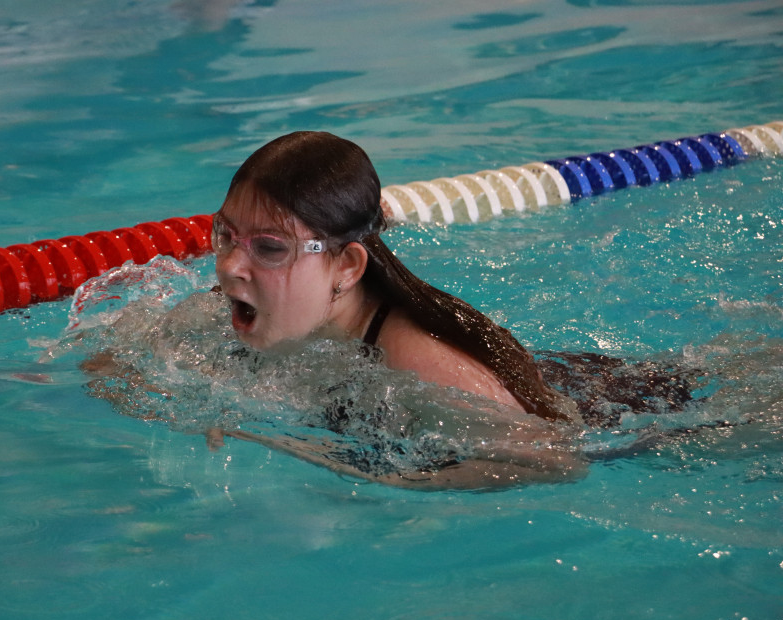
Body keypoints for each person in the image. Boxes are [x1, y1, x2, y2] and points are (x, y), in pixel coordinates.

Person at [211, 130, 579, 423]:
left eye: (271, 248)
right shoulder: (250, 307)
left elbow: (555, 460)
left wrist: (288, 445)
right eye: (226, 235)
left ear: (346, 267)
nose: (230, 266)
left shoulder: (422, 365)